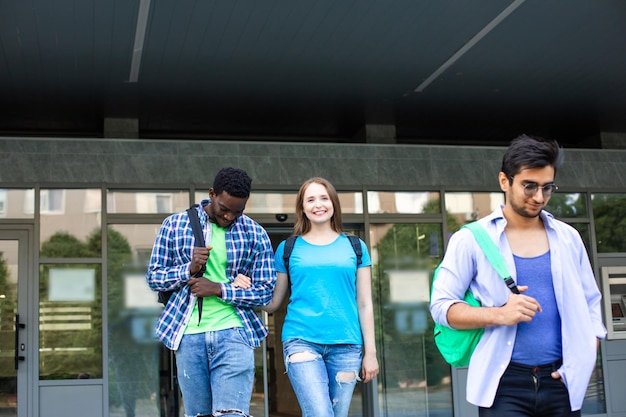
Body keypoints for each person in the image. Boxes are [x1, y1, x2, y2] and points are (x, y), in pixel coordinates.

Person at [430, 134, 607, 416]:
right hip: (503, 384)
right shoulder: (471, 239)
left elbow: (591, 302)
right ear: (504, 181)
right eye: (529, 186)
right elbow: (441, 308)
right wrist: (499, 314)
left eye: (547, 188)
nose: (539, 197)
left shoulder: (568, 237)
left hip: (561, 380)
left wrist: (586, 357)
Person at [236, 177, 379, 417]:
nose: (318, 204)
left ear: (333, 203)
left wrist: (371, 353)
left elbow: (364, 304)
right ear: (302, 207)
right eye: (310, 199)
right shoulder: (288, 249)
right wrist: (245, 289)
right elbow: (272, 303)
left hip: (347, 345)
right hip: (301, 341)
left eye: (323, 198)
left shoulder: (356, 246)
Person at [146, 167, 276, 417]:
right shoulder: (175, 225)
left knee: (231, 414)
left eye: (238, 211)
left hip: (234, 334)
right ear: (212, 194)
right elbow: (154, 278)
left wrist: (219, 289)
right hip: (189, 336)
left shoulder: (255, 233)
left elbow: (265, 293)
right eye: (224, 209)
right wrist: (188, 269)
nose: (229, 217)